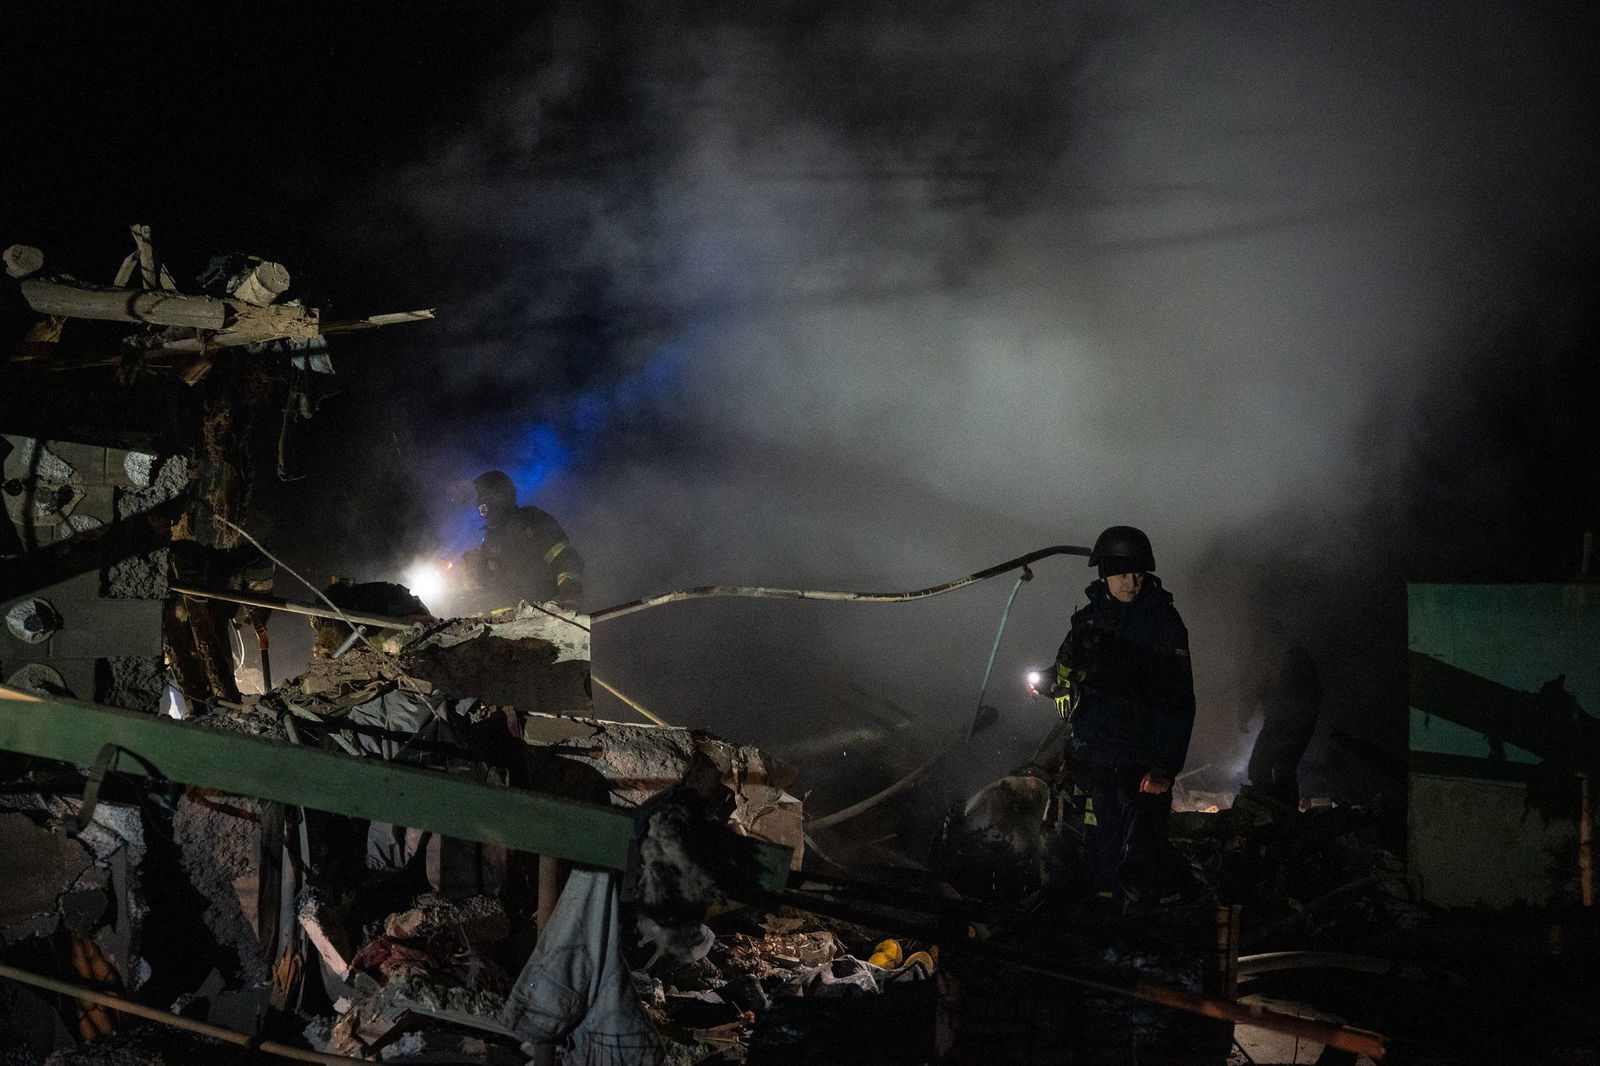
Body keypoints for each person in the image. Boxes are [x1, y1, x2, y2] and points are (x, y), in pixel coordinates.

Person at [1030, 525, 1196, 913]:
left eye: (1139, 573)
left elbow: (1179, 700)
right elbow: (1068, 669)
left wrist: (1165, 767)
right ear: (1103, 573)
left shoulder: (1163, 624)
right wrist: (1052, 684)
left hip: (1141, 761)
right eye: (1123, 573)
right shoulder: (1089, 621)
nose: (1133, 582)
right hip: (1097, 758)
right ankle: (1107, 930)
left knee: (1142, 853)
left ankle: (1146, 936)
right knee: (1102, 846)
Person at [460, 470, 584, 610]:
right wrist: (478, 572)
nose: (481, 514)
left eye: (483, 508)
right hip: (516, 618)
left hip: (548, 610)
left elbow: (567, 560)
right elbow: (497, 587)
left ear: (497, 501)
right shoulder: (489, 540)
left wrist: (570, 598)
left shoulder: (532, 521)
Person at [1238, 618, 1322, 809]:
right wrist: (1244, 715)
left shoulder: (1293, 657)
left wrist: (1244, 715)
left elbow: (1313, 694)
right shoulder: (1278, 655)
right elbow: (1250, 688)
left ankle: (1279, 816)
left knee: (1281, 767)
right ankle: (1271, 812)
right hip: (1283, 720)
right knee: (1263, 767)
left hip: (1295, 721)